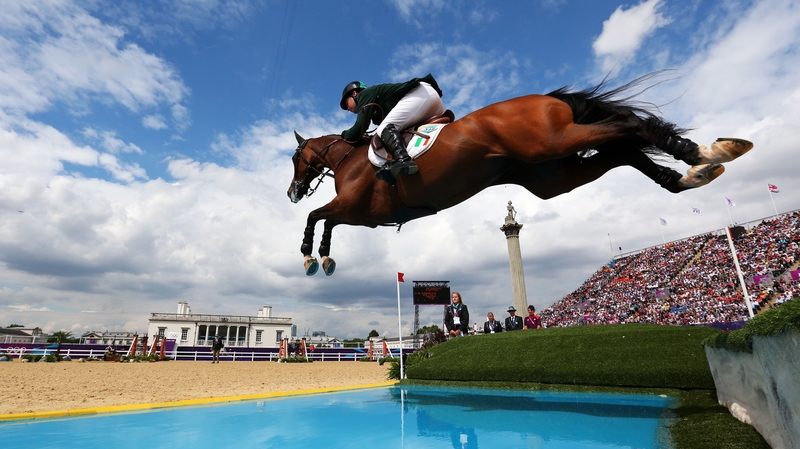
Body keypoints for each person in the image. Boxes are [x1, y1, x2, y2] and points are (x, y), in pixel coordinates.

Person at [339, 74, 444, 179]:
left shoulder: (364, 94)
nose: (347, 108)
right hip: (431, 100)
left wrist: (344, 135)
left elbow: (360, 127)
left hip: (420, 94)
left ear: (354, 93)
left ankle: (403, 159)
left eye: (346, 102)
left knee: (383, 127)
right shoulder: (377, 111)